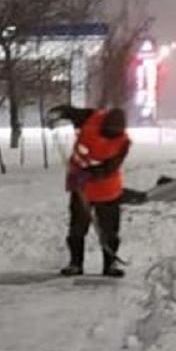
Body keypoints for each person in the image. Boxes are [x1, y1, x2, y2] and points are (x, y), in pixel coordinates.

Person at [46, 105, 131, 278]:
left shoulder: (123, 142)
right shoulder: (91, 118)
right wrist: (57, 114)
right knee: (77, 227)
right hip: (81, 187)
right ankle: (75, 264)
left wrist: (88, 173)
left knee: (109, 230)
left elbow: (109, 168)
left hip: (107, 189)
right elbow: (70, 111)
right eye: (107, 131)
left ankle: (109, 266)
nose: (109, 136)